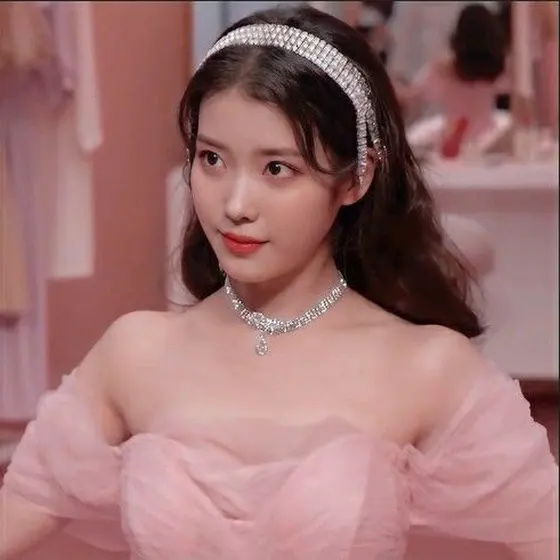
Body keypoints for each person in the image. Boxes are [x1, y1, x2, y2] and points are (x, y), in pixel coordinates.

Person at [0, 5, 557, 560]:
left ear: (357, 177)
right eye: (212, 159)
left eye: (276, 169)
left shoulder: (429, 367)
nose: (236, 205)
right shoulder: (135, 353)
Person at [399, 3, 511, 148]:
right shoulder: (497, 69)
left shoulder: (443, 69)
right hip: (489, 138)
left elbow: (414, 95)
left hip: (452, 138)